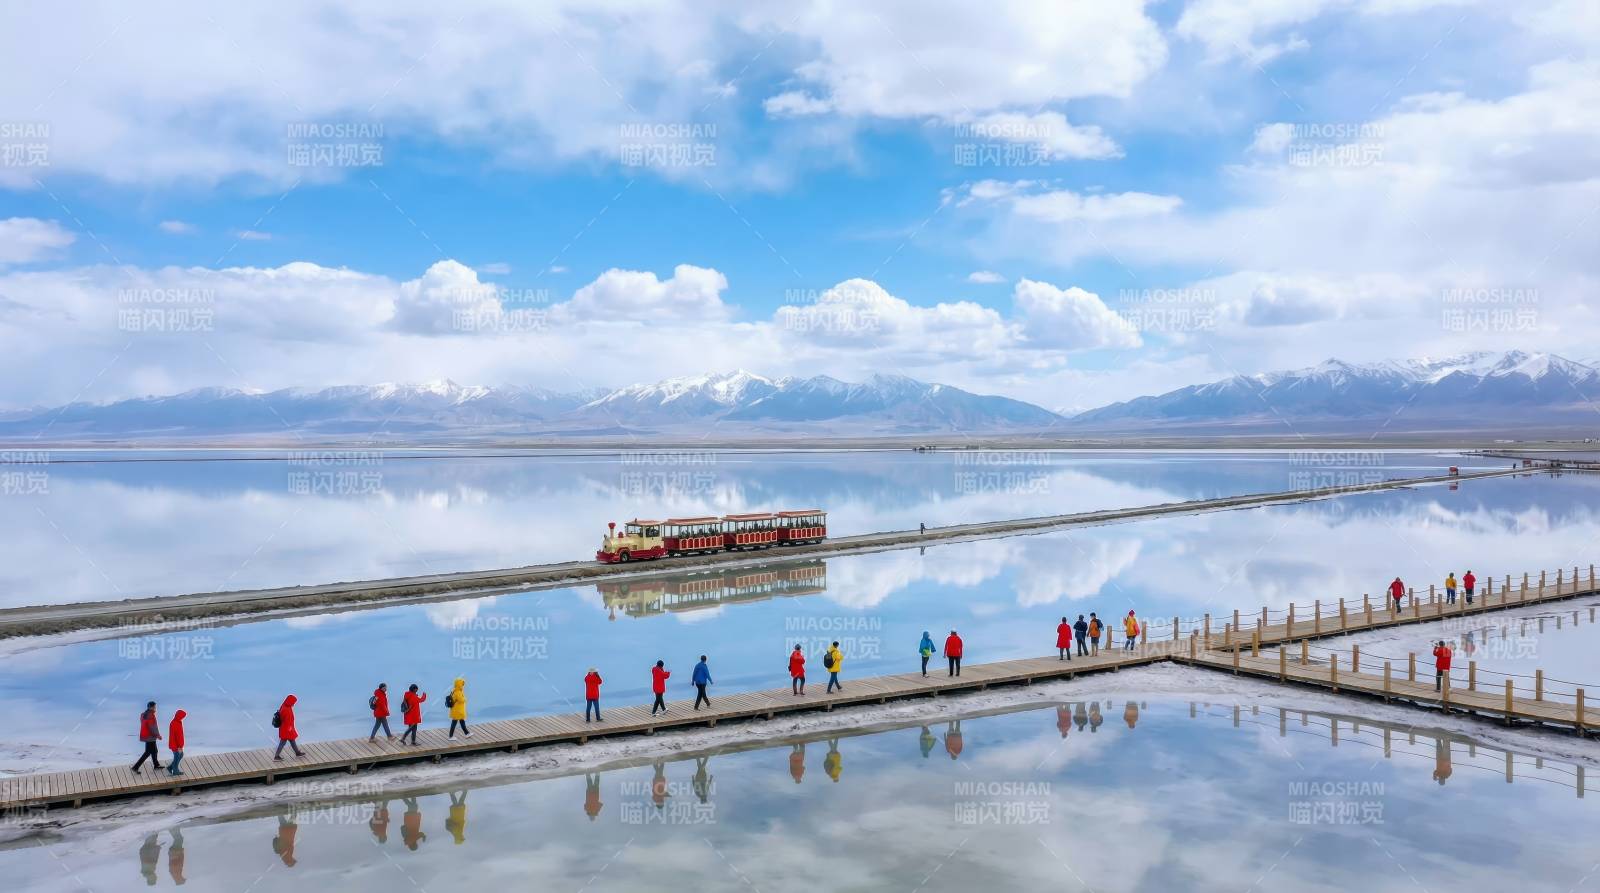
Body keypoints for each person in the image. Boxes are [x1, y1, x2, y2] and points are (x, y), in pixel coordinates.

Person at [131, 701, 163, 774]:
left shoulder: (143, 714)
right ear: (151, 707)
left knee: (154, 751)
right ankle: (135, 767)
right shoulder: (151, 715)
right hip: (150, 736)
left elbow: (145, 725)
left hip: (145, 735)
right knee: (148, 752)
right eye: (155, 707)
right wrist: (158, 735)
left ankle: (156, 765)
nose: (155, 708)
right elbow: (153, 727)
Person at [273, 695, 304, 760]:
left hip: (286, 728)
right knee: (283, 742)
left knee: (292, 740)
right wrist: (290, 729)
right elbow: (287, 720)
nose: (294, 704)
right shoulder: (286, 709)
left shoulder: (285, 706)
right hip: (287, 729)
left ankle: (297, 752)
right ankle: (276, 756)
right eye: (293, 702)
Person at [167, 709, 187, 776]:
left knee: (180, 755)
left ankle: (170, 767)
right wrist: (179, 746)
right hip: (176, 745)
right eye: (182, 716)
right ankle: (175, 771)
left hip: (175, 744)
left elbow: (179, 735)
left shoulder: (176, 722)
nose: (183, 718)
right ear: (179, 716)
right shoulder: (176, 723)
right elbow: (177, 736)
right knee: (177, 757)